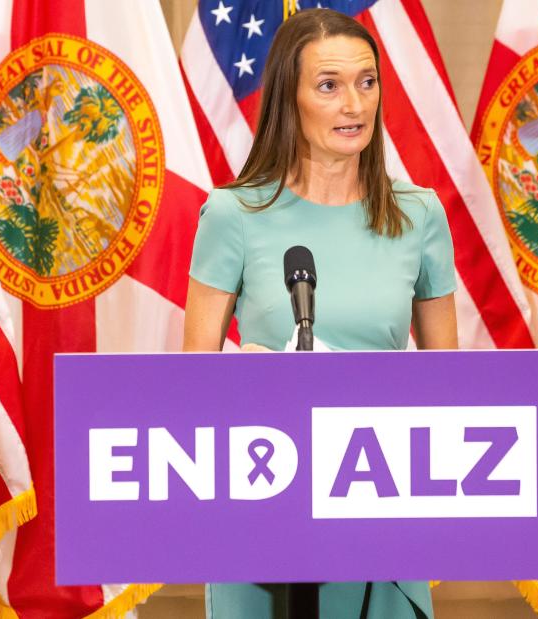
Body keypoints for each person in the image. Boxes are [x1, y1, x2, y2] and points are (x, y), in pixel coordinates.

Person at [184, 8, 457, 619]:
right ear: (291, 96)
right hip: (262, 507)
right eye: (329, 85)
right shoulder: (233, 214)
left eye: (367, 81)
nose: (354, 104)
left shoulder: (421, 214)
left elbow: (451, 385)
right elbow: (192, 386)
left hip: (381, 508)